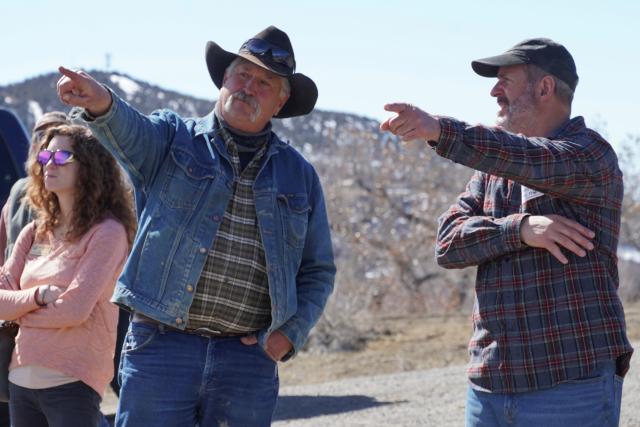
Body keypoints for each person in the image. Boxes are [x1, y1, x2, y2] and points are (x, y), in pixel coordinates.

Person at [56, 25, 336, 427]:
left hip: (247, 361)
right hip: (162, 348)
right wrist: (101, 102)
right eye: (242, 75)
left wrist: (288, 335)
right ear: (224, 78)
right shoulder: (172, 138)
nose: (247, 87)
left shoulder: (299, 176)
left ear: (280, 101)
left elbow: (318, 270)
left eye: (263, 83)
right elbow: (130, 131)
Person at [381, 38, 632, 426]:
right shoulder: (491, 170)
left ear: (545, 88)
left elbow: (533, 159)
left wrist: (438, 130)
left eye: (505, 81)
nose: (494, 91)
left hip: (570, 384)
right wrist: (519, 229)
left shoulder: (590, 155)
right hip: (490, 386)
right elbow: (447, 243)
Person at [0, 124, 136, 427]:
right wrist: (36, 297)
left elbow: (75, 310)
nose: (49, 162)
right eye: (46, 154)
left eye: (62, 156)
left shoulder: (107, 233)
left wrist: (19, 312)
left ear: (89, 167)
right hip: (20, 380)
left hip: (72, 382)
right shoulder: (33, 232)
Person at [0, 111, 69, 266]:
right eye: (41, 135)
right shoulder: (18, 190)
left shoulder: (75, 193)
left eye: (56, 134)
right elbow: (3, 245)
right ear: (32, 145)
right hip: (12, 283)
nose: (47, 141)